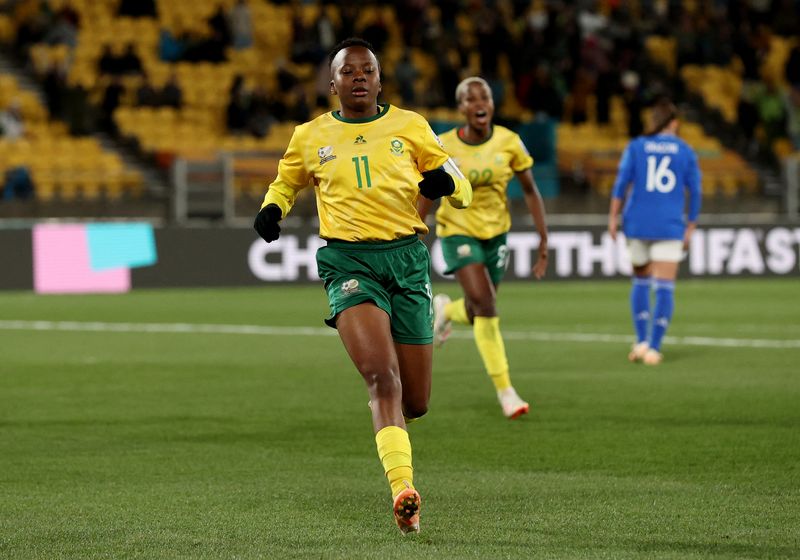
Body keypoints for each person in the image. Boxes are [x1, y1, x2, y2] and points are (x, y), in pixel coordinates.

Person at [253, 38, 472, 534]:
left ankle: (392, 420)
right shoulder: (309, 136)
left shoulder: (412, 127)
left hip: (408, 262)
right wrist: (273, 208)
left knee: (416, 402)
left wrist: (445, 184)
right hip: (348, 261)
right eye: (347, 71)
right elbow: (286, 182)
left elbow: (460, 185)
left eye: (366, 70)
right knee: (382, 378)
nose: (358, 77)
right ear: (332, 84)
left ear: (378, 80)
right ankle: (404, 491)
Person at [418, 76, 549, 420]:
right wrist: (415, 231)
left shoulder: (510, 142)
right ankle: (506, 391)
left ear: (492, 104)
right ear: (461, 108)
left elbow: (531, 191)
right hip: (458, 232)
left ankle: (446, 312)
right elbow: (428, 191)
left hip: (497, 235)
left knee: (478, 309)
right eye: (470, 99)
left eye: (485, 97)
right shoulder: (443, 145)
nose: (479, 103)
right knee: (488, 306)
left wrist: (543, 238)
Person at [608, 98, 701, 365]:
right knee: (664, 286)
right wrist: (691, 225)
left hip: (637, 223)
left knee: (640, 280)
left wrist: (613, 217)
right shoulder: (685, 150)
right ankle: (654, 347)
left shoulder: (636, 147)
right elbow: (694, 191)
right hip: (669, 225)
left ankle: (641, 341)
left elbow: (621, 184)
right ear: (674, 123)